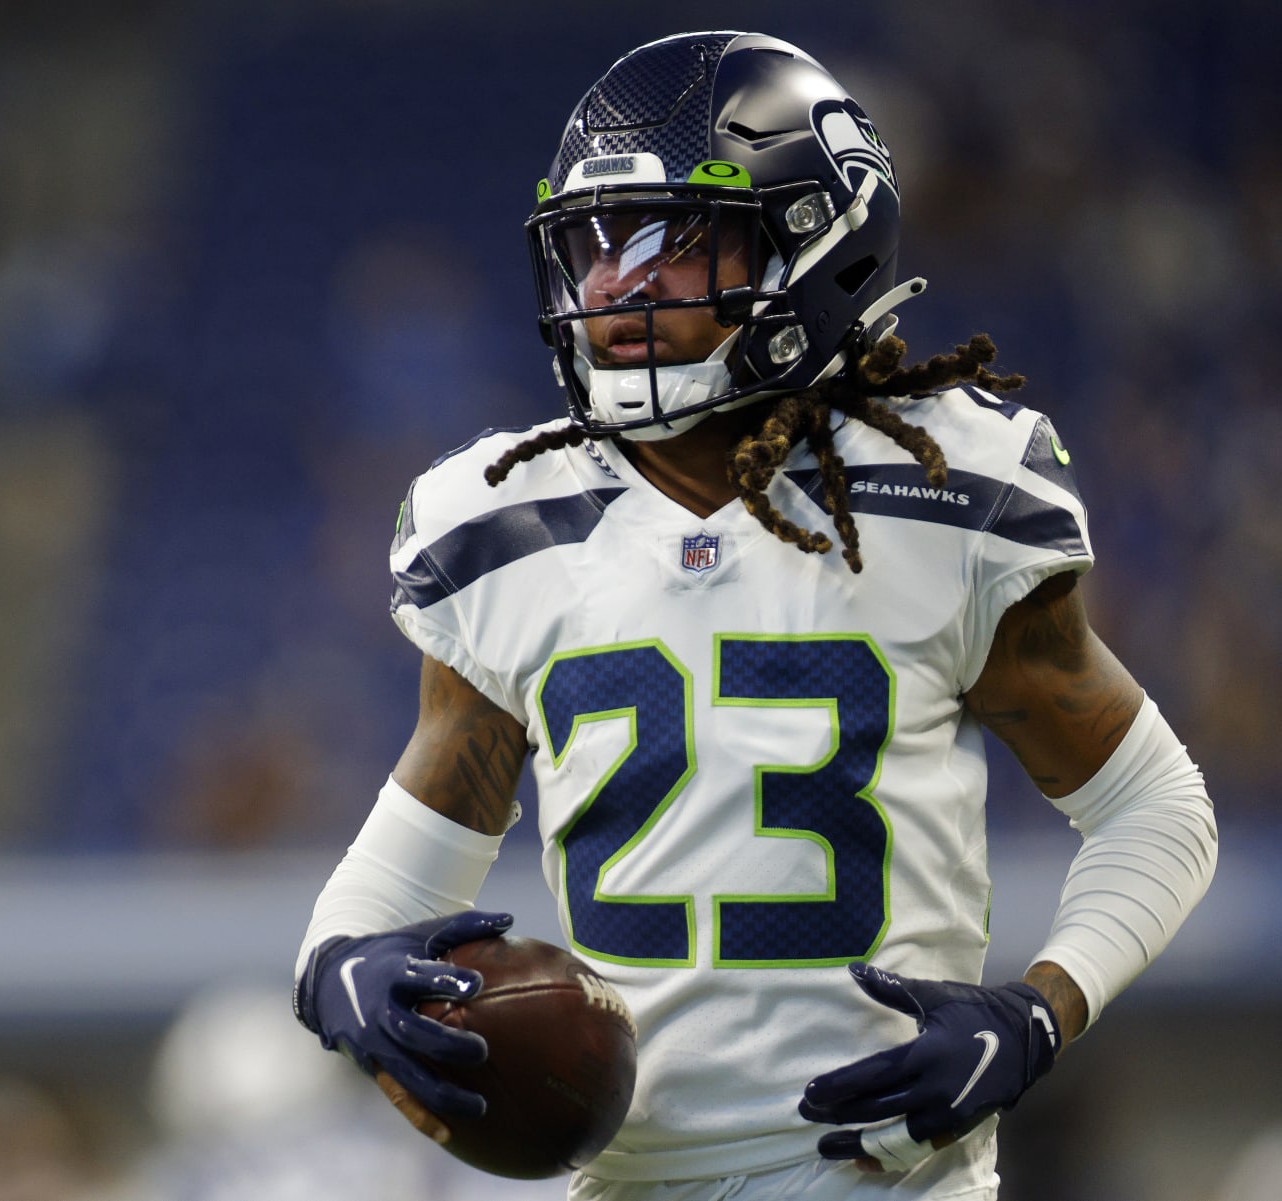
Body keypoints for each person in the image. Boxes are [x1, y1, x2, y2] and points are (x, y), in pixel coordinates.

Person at [292, 30, 1217, 1201]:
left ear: (816, 248)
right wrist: (339, 976)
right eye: (593, 246)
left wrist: (1039, 1011)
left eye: (673, 244)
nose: (617, 288)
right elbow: (395, 881)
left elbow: (1156, 807)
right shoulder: (504, 525)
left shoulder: (946, 490)